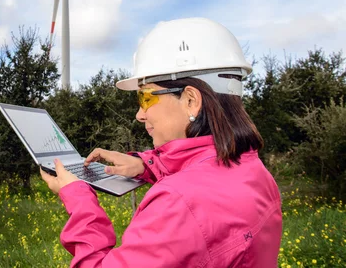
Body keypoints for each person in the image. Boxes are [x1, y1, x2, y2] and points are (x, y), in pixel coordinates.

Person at [40, 17, 282, 267]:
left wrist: (80, 200)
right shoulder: (254, 171)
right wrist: (145, 165)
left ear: (190, 100)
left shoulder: (177, 203)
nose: (140, 114)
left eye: (145, 98)